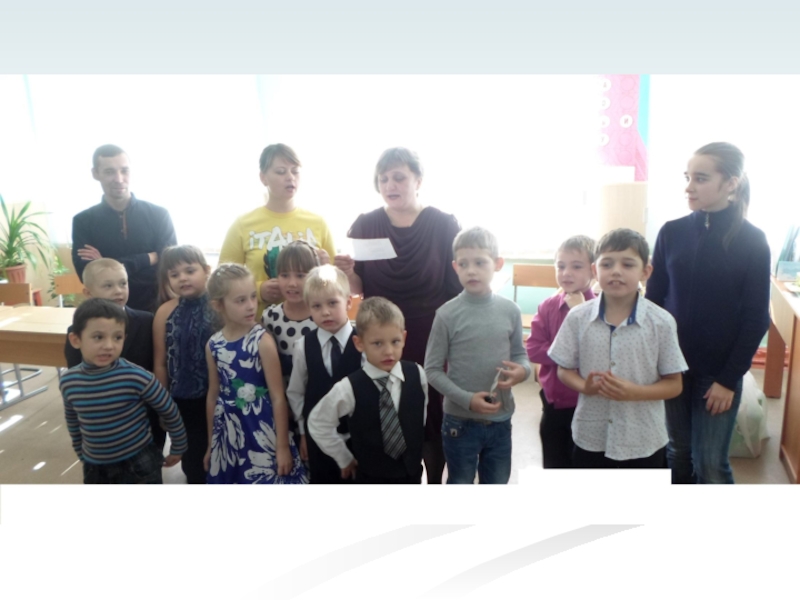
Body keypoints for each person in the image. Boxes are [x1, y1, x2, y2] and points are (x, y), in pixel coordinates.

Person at [646, 142, 771, 484]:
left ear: (730, 183)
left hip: (718, 372)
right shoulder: (671, 232)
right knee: (677, 452)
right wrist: (653, 358)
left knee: (710, 463)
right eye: (687, 177)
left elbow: (756, 318)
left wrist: (728, 380)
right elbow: (653, 302)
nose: (689, 186)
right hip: (672, 366)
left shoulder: (753, 241)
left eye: (700, 178)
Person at [334, 147, 461, 484]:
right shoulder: (365, 224)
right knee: (387, 410)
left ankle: (435, 482)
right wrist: (347, 272)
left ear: (418, 180)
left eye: (399, 177)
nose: (390, 185)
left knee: (432, 415)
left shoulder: (443, 224)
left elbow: (455, 288)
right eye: (383, 179)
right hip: (381, 336)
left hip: (431, 334)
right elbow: (358, 287)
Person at [549, 229, 688, 469]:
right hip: (591, 435)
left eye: (628, 264)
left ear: (645, 272)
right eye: (607, 264)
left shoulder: (661, 322)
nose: (616, 271)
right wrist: (584, 386)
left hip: (643, 439)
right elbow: (564, 369)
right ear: (595, 270)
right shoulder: (578, 317)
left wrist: (635, 392)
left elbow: (674, 384)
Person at [424, 226, 531, 484]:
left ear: (497, 264)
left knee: (496, 483)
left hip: (500, 419)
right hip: (459, 422)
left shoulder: (511, 311)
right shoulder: (446, 314)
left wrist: (522, 372)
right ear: (455, 267)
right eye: (464, 264)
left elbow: (520, 355)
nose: (471, 270)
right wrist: (467, 400)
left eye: (480, 262)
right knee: (460, 482)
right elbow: (432, 370)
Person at [60, 298, 187, 484]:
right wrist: (81, 451)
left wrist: (178, 445)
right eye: (98, 337)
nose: (109, 345)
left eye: (117, 337)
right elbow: (73, 420)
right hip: (95, 465)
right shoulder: (69, 381)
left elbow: (169, 409)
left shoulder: (137, 376)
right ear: (75, 340)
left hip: (139, 462)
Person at [203, 263, 307, 484]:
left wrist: (281, 447)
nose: (251, 306)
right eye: (241, 300)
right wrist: (212, 444)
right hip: (228, 431)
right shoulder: (213, 345)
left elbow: (278, 397)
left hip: (261, 428)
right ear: (218, 305)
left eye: (252, 297)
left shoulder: (262, 341)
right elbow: (213, 396)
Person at [308, 297, 428, 484]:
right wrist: (344, 458)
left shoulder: (417, 374)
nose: (388, 351)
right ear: (359, 343)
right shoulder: (349, 387)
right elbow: (318, 422)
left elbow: (420, 417)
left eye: (395, 341)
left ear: (404, 338)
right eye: (378, 343)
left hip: (411, 474)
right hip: (370, 476)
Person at [218, 143, 336, 317]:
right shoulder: (243, 224)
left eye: (295, 171)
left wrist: (327, 268)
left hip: (313, 323)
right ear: (263, 177)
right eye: (281, 172)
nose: (290, 177)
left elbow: (336, 283)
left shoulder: (318, 222)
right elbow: (222, 280)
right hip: (259, 324)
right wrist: (258, 290)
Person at [63, 258, 165, 450]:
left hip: (145, 420)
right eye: (108, 285)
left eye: (123, 283)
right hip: (103, 422)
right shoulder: (77, 332)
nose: (118, 291)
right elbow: (77, 377)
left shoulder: (147, 321)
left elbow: (157, 365)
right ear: (88, 293)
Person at [72, 144, 177, 313]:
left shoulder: (159, 215)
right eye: (109, 172)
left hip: (157, 309)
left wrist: (106, 263)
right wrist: (147, 258)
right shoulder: (83, 221)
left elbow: (169, 265)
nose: (119, 178)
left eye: (124, 170)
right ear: (95, 173)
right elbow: (88, 274)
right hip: (107, 313)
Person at [286, 265, 362, 483]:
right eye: (317, 306)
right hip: (318, 439)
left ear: (348, 302)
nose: (325, 312)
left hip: (359, 436)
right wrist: (303, 432)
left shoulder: (364, 341)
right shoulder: (303, 346)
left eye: (332, 303)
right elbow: (296, 392)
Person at [526, 235, 596, 468]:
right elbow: (534, 350)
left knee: (585, 466)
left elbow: (599, 353)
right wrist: (570, 355)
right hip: (554, 404)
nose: (566, 273)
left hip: (589, 405)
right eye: (561, 266)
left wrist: (581, 312)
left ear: (593, 270)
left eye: (576, 266)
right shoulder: (547, 307)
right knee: (555, 464)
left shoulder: (600, 308)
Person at [152, 245, 216, 484]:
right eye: (174, 274)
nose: (183, 278)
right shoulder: (165, 312)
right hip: (184, 399)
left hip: (222, 396)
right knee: (195, 461)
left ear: (206, 270)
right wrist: (163, 405)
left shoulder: (221, 305)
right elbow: (160, 363)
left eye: (190, 271)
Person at [263, 240, 320, 382]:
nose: (292, 283)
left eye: (300, 275)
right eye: (284, 275)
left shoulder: (323, 317)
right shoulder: (270, 317)